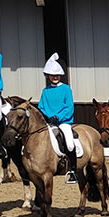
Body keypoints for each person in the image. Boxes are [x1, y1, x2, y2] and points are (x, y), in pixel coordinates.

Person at [38, 53, 79, 182]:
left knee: (70, 144)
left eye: (56, 75)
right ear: (48, 76)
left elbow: (69, 107)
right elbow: (41, 107)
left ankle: (73, 171)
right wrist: (48, 117)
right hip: (49, 122)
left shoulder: (66, 89)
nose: (54, 77)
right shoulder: (45, 91)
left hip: (63, 122)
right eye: (52, 75)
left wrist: (58, 117)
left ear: (60, 75)